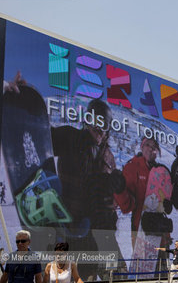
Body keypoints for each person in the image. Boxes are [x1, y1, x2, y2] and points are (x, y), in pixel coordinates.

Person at [51, 98, 126, 279]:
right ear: (88, 121)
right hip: (73, 223)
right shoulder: (72, 138)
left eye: (104, 126)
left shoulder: (108, 156)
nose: (99, 131)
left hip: (101, 228)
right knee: (80, 276)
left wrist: (116, 188)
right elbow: (41, 136)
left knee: (119, 275)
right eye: (96, 123)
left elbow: (113, 195)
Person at [114, 137, 173, 249]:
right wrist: (120, 191)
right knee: (144, 266)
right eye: (148, 145)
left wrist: (168, 204)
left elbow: (166, 198)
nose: (151, 149)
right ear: (141, 147)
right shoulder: (132, 167)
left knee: (163, 265)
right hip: (142, 230)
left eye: (154, 147)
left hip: (161, 231)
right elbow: (127, 207)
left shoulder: (160, 171)